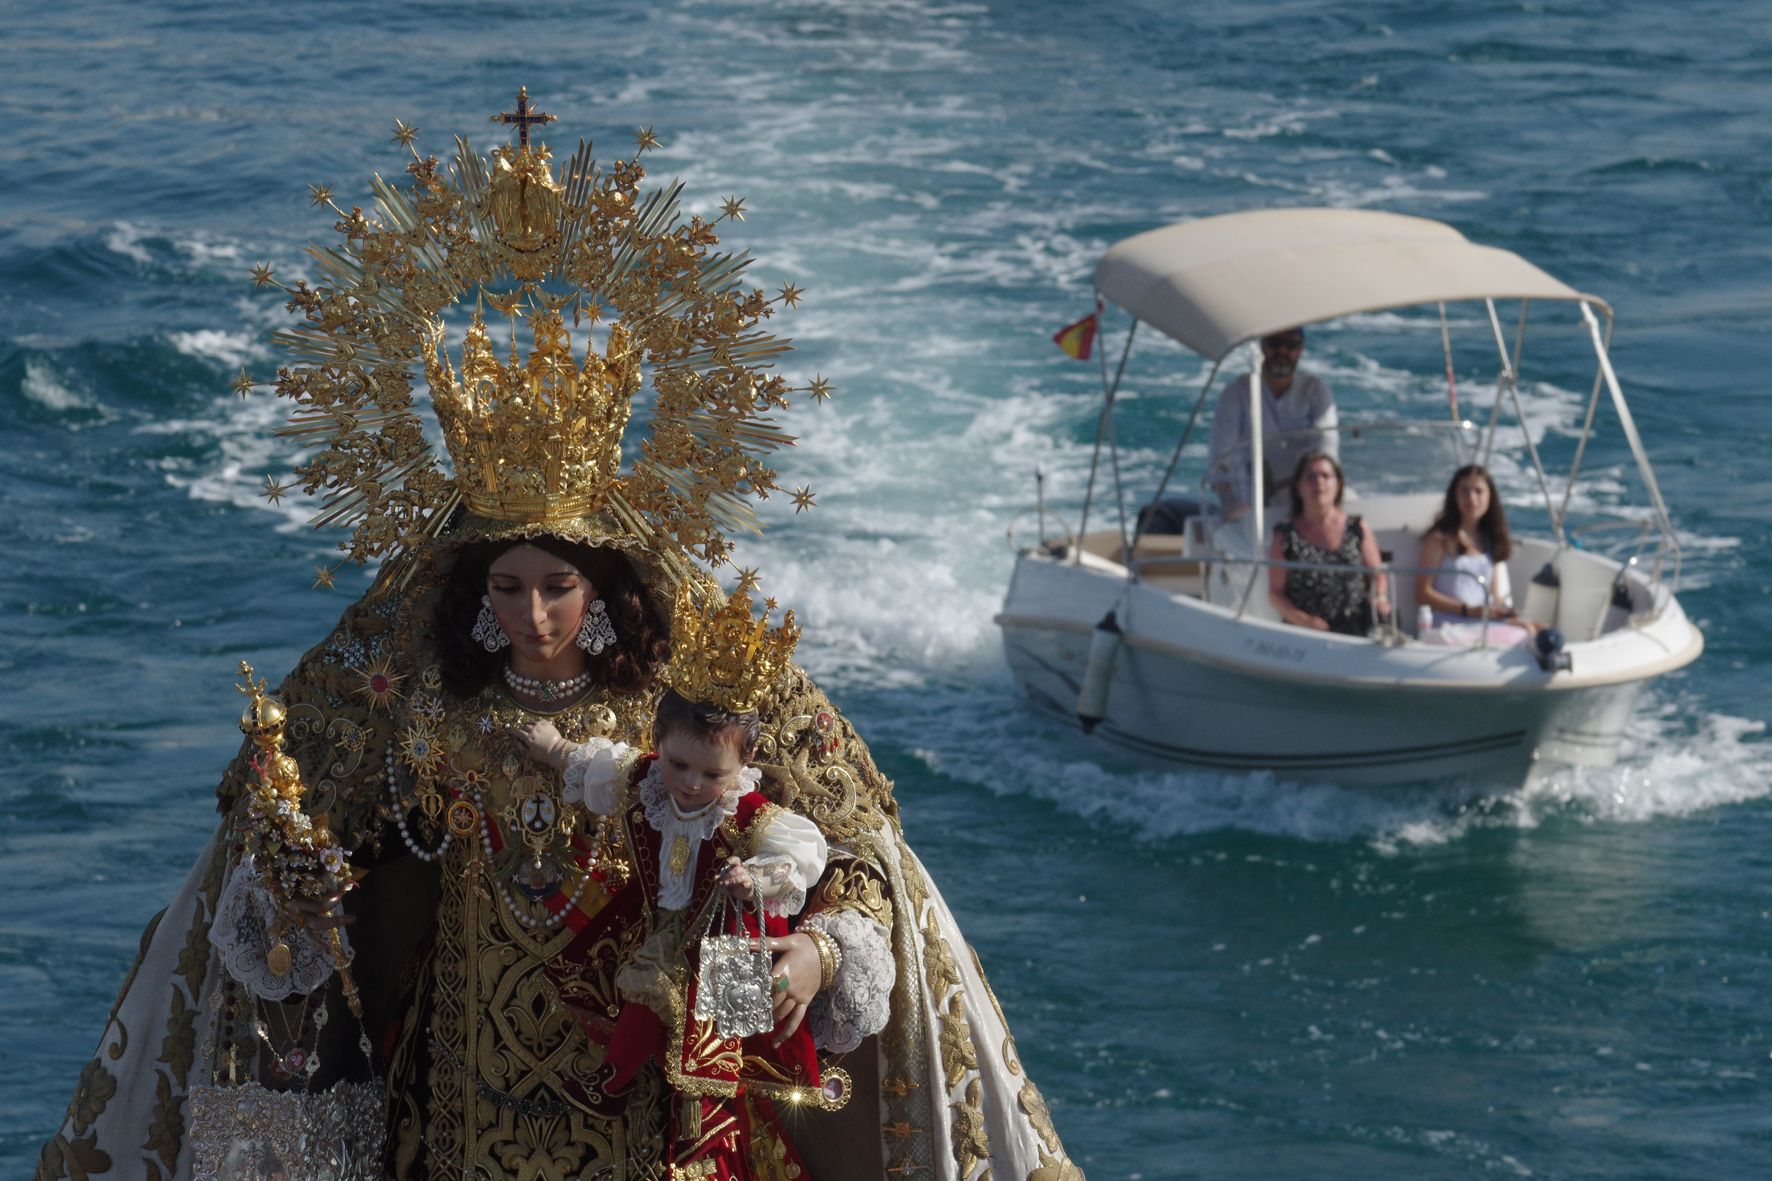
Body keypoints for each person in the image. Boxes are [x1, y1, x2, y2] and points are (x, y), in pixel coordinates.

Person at [35, 94, 1084, 1181]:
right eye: (508, 586)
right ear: (473, 584)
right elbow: (286, 804)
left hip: (657, 1102)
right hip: (459, 1105)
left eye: (558, 587)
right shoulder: (415, 686)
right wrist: (293, 875)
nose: (532, 617)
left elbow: (859, 837)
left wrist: (816, 949)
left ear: (606, 582)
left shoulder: (702, 683)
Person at [514, 588, 838, 1180]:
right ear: (658, 745)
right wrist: (554, 748)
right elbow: (596, 767)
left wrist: (757, 877)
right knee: (643, 993)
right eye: (677, 764)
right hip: (661, 928)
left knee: (725, 1054)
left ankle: (708, 1137)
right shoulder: (646, 784)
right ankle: (610, 1082)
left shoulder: (751, 814)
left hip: (728, 944)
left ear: (745, 763)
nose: (689, 784)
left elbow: (799, 858)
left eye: (711, 773)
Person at [1206, 327, 1338, 514]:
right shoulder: (1236, 393)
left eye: (1291, 344)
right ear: (1262, 347)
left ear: (1300, 349)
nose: (1282, 351)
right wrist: (1230, 503)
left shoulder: (1316, 390)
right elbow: (1220, 457)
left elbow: (1327, 449)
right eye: (1274, 343)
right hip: (1251, 506)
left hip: (1305, 503)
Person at [1414, 464, 1539, 646]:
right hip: (1450, 627)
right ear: (1455, 496)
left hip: (1486, 624)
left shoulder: (1491, 539)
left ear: (1490, 496)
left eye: (1478, 491)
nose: (1472, 498)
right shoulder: (1439, 539)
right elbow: (1422, 593)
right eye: (1464, 492)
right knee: (1529, 639)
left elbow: (1496, 597)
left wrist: (1505, 614)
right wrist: (1469, 611)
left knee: (1539, 630)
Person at [1268, 452, 1390, 634]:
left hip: (1357, 626)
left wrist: (1380, 597)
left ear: (1338, 484)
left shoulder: (1357, 527)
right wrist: (1305, 621)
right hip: (1307, 632)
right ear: (1299, 486)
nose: (1319, 482)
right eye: (1311, 477)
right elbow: (1275, 593)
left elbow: (1377, 574)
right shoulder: (1285, 536)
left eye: (1326, 476)